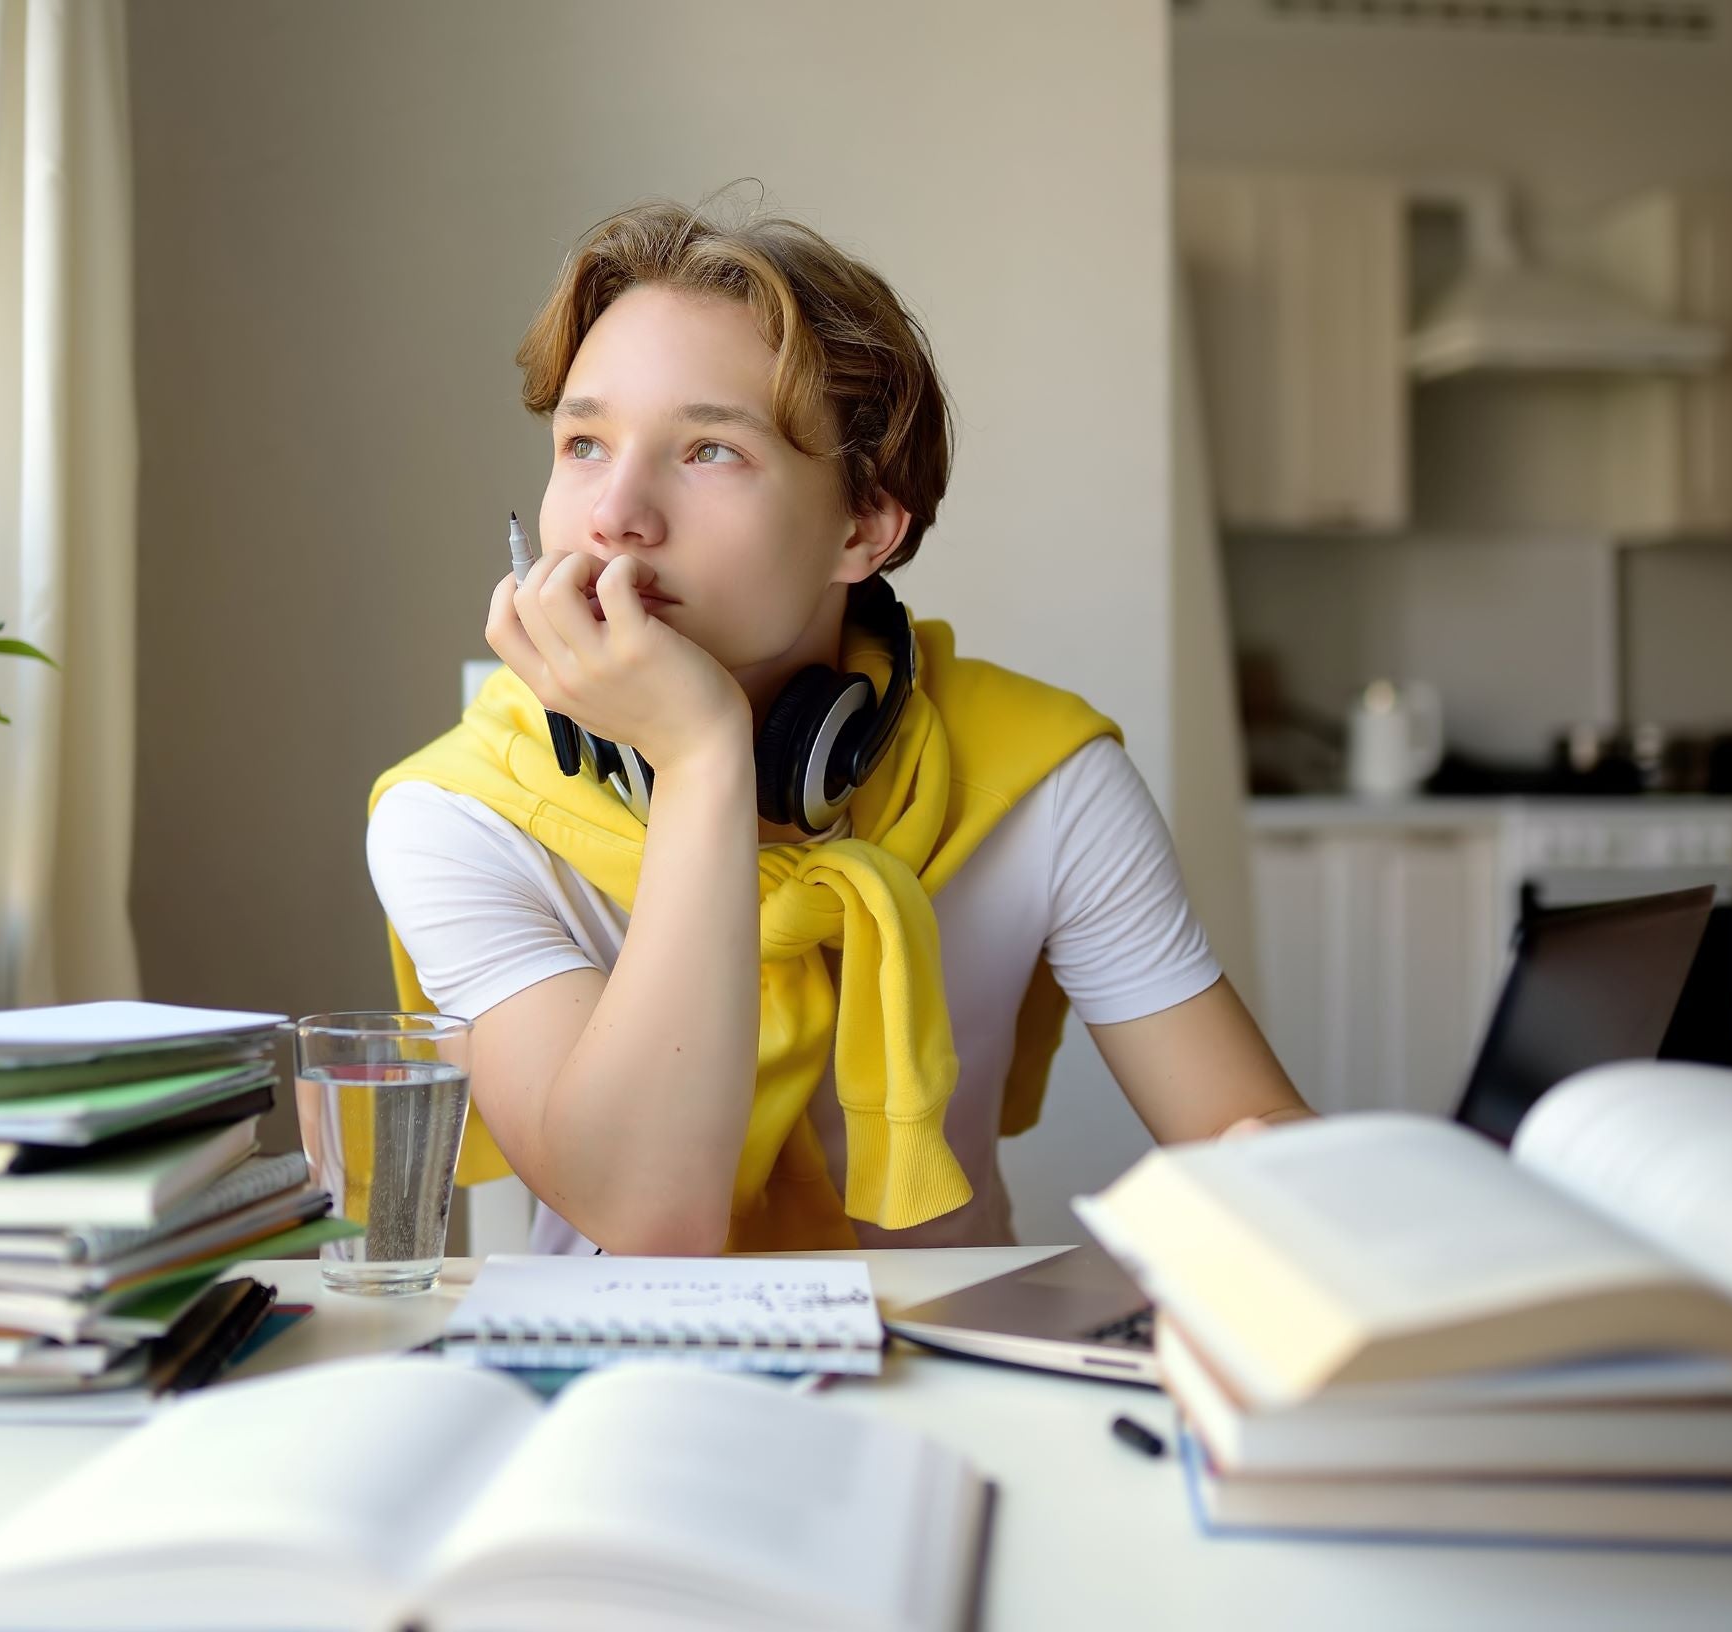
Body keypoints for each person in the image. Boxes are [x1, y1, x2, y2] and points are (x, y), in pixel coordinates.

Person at [365, 194, 1310, 1257]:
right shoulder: (454, 811)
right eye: (583, 443)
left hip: (958, 1375)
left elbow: (1251, 1141)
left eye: (708, 451)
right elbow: (646, 1219)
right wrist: (706, 759)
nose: (614, 513)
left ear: (862, 526)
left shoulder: (1041, 777)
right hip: (616, 1386)